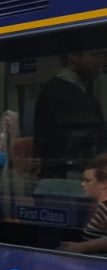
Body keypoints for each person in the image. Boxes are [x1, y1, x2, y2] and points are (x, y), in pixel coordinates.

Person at [33, 50, 106, 180]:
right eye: (96, 55)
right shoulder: (61, 93)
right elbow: (85, 144)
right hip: (67, 181)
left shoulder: (78, 90)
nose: (102, 61)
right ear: (74, 56)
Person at [60, 154, 107, 254]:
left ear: (104, 183)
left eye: (88, 181)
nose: (82, 184)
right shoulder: (95, 205)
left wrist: (81, 247)